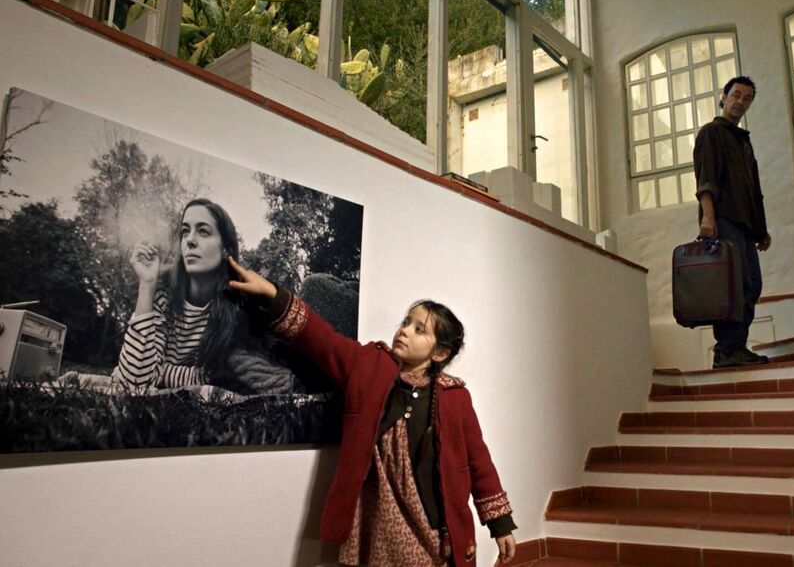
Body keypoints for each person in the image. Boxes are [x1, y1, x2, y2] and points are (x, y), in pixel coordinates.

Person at [227, 257, 518, 566]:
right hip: (379, 524)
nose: (404, 331)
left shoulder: (455, 396)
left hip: (434, 525)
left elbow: (478, 462)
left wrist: (500, 525)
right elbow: (322, 339)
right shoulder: (368, 366)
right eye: (406, 322)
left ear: (440, 353)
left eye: (419, 330)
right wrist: (273, 294)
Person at [112, 198, 295, 393]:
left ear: (226, 250)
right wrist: (147, 284)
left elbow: (218, 374)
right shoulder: (162, 293)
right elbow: (132, 382)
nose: (190, 240)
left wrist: (160, 372)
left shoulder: (237, 305)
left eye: (203, 231)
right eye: (185, 231)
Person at [693, 76, 771, 369]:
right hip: (723, 221)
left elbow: (754, 190)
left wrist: (761, 231)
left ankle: (734, 347)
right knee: (733, 287)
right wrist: (709, 217)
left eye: (747, 98)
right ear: (723, 97)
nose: (740, 101)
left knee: (752, 285)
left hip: (744, 226)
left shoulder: (743, 141)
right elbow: (706, 179)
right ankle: (727, 350)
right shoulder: (712, 133)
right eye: (736, 95)